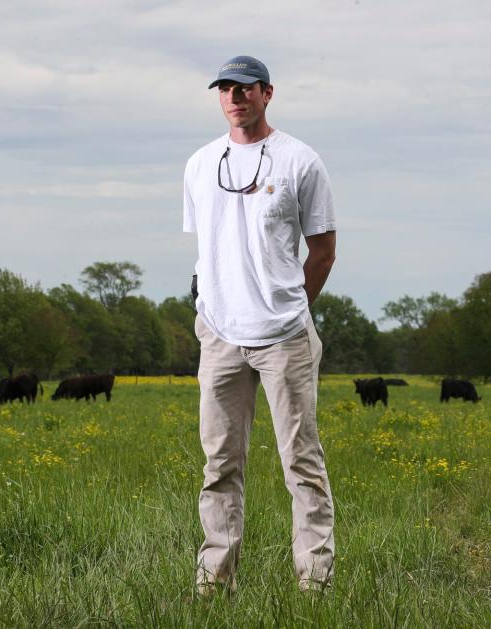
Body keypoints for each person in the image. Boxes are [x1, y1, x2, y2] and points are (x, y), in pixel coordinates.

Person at [182, 55, 337, 595]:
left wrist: (292, 308)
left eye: (245, 88)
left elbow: (322, 251)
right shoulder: (201, 164)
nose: (234, 96)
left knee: (302, 462)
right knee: (219, 463)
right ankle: (213, 582)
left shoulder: (300, 162)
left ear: (267, 93)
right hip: (220, 335)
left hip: (285, 337)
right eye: (225, 88)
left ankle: (314, 583)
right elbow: (207, 247)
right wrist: (208, 309)